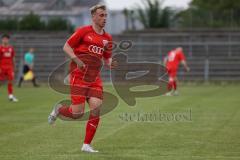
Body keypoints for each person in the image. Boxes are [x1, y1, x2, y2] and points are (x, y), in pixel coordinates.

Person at [48, 4, 116, 153]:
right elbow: (66, 46)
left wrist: (111, 63)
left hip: (95, 79)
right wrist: (77, 60)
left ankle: (86, 145)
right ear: (93, 17)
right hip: (78, 77)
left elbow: (107, 58)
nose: (104, 18)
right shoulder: (83, 31)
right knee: (77, 114)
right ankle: (59, 110)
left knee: (96, 110)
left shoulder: (107, 38)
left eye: (106, 15)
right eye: (101, 15)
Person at [0, 34, 18, 102]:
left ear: (8, 40)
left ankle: (10, 96)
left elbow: (13, 57)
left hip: (10, 67)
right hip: (1, 67)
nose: (5, 40)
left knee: (10, 81)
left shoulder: (11, 48)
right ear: (2, 40)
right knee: (1, 82)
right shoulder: (0, 48)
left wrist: (14, 66)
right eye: (4, 39)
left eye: (6, 39)